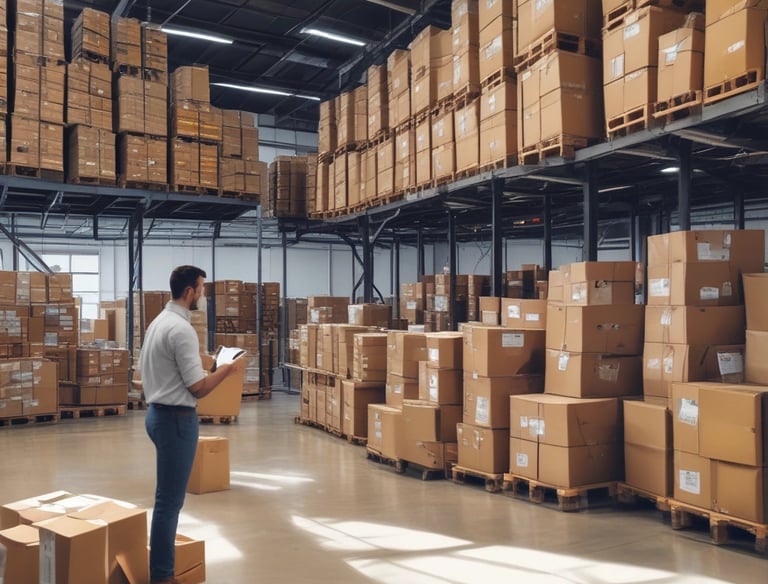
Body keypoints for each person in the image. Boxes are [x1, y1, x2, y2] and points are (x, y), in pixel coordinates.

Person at [140, 265, 244, 584]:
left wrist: (211, 364)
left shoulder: (159, 322)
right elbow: (198, 388)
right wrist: (228, 369)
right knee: (169, 502)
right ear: (189, 292)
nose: (204, 294)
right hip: (176, 420)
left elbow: (178, 369)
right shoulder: (181, 329)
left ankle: (162, 569)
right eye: (201, 288)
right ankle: (162, 575)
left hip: (157, 414)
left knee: (167, 498)